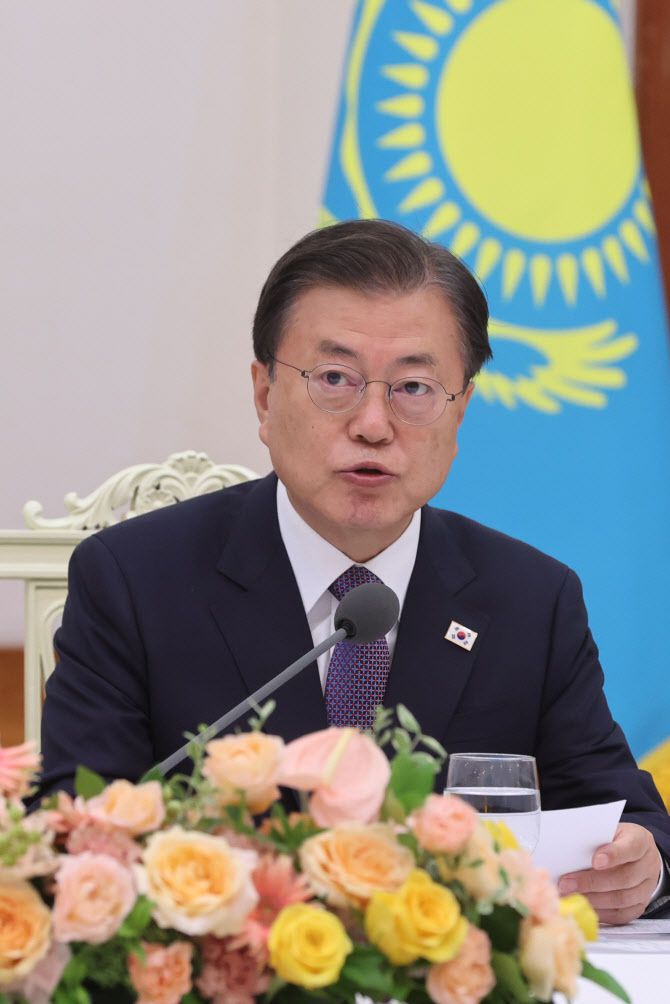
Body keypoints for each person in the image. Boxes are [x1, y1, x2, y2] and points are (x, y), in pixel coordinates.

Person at [40, 219, 670, 924]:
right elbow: (75, 823)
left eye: (414, 387)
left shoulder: (530, 598)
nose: (373, 423)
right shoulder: (135, 581)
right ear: (264, 394)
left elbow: (624, 814)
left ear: (460, 412)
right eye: (335, 379)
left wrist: (642, 864)